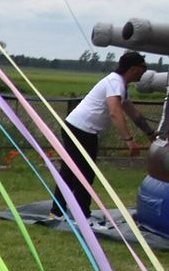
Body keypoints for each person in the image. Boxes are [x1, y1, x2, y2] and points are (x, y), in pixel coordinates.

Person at [51, 51, 154, 218]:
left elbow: (134, 114)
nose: (144, 72)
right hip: (82, 130)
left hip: (76, 127)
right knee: (84, 173)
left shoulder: (120, 85)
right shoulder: (115, 83)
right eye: (144, 67)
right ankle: (83, 216)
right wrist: (129, 140)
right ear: (133, 68)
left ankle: (57, 211)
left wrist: (150, 133)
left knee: (70, 171)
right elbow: (115, 112)